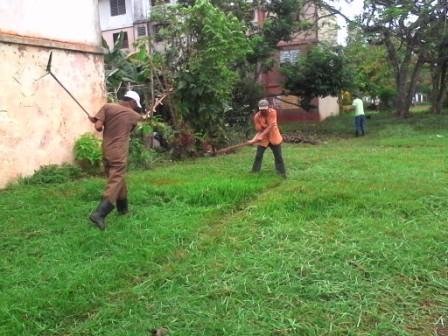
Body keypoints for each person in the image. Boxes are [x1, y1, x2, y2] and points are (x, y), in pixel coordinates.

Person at [88, 91, 142, 230]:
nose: (136, 109)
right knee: (116, 179)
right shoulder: (135, 116)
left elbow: (98, 127)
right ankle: (100, 213)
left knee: (118, 179)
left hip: (106, 151)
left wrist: (97, 120)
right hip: (118, 152)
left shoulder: (107, 107)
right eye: (136, 106)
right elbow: (128, 130)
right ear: (132, 102)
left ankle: (123, 210)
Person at [249, 99, 286, 178]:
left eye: (265, 109)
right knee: (258, 155)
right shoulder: (257, 117)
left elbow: (271, 126)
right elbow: (259, 130)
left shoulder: (273, 112)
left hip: (274, 137)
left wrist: (262, 135)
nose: (263, 111)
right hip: (264, 139)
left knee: (278, 156)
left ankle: (281, 173)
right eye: (261, 110)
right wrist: (254, 139)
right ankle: (255, 171)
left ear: (268, 107)